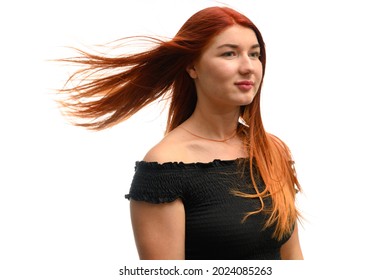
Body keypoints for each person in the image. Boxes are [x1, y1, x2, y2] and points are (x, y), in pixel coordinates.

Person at [57, 6, 303, 260]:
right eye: (229, 54)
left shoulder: (271, 150)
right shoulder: (165, 169)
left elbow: (294, 257)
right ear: (192, 67)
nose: (248, 66)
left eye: (255, 54)